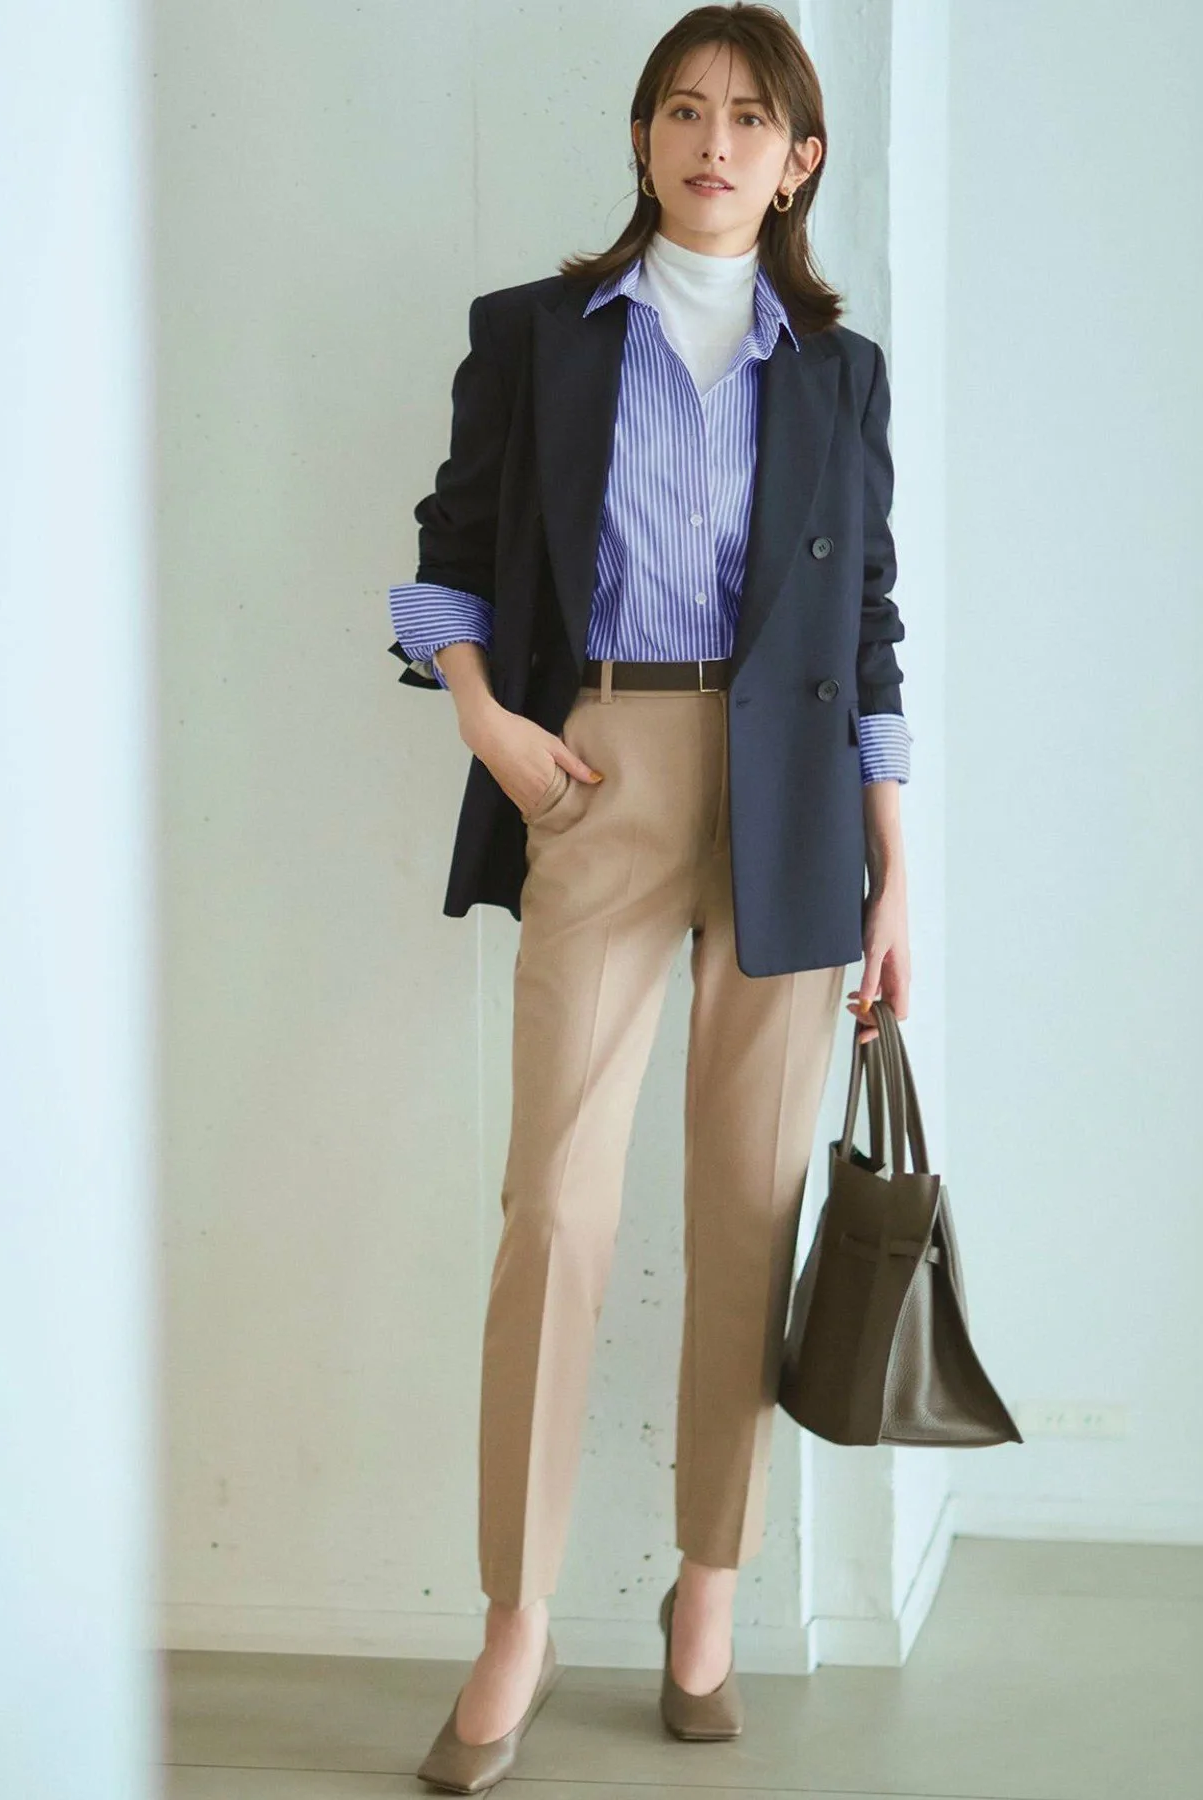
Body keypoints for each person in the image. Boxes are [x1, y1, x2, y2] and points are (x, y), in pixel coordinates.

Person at [386, 6, 912, 1789]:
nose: (713, 141)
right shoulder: (534, 336)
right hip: (596, 770)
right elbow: (448, 557)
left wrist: (897, 867)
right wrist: (490, 725)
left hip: (795, 800)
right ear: (641, 139)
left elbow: (871, 622)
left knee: (748, 1208)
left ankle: (710, 1590)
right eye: (683, 111)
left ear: (799, 161)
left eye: (750, 118)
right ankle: (517, 1620)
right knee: (555, 1207)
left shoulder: (838, 374)